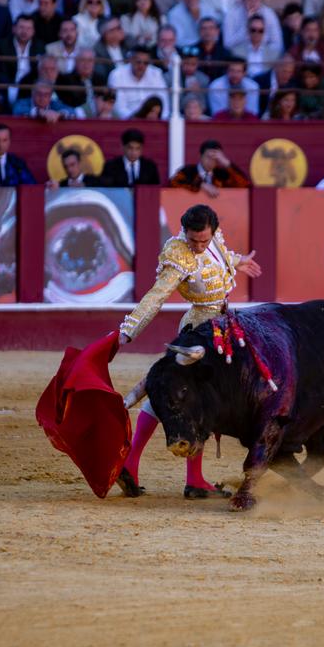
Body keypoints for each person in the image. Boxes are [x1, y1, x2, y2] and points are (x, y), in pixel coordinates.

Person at [115, 203, 262, 499]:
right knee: (196, 399)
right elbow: (156, 296)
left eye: (204, 240)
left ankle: (181, 475)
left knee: (191, 398)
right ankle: (145, 465)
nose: (198, 246)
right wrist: (128, 329)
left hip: (221, 326)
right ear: (185, 232)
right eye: (194, 240)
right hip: (198, 332)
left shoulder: (213, 241)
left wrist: (239, 260)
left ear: (213, 232)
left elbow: (219, 258)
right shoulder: (178, 254)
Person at [169, 139, 250, 197]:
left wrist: (227, 163)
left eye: (215, 157)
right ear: (200, 156)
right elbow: (173, 182)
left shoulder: (222, 174)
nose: (212, 160)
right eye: (208, 157)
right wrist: (200, 185)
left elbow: (244, 184)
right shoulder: (188, 171)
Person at [108, 44, 169, 118]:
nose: (141, 66)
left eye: (146, 63)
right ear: (130, 60)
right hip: (127, 122)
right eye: (138, 62)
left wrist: (161, 121)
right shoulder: (117, 75)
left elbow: (164, 104)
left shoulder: (156, 74)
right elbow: (118, 108)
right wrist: (136, 120)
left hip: (153, 121)